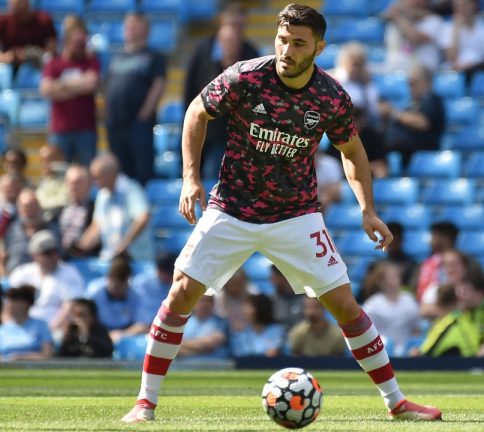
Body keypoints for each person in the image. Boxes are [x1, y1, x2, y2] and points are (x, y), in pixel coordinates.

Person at [122, 5, 441, 423]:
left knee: (344, 303)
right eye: (282, 39)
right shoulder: (245, 76)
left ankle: (396, 402)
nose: (287, 49)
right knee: (181, 292)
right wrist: (189, 178)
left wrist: (368, 210)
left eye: (298, 43)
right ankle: (144, 402)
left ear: (319, 48)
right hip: (233, 206)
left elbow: (353, 152)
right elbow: (196, 113)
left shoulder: (330, 96)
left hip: (296, 214)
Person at [184, 6, 259, 179]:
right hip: (203, 126)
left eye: (239, 26)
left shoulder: (250, 52)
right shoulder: (203, 50)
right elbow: (190, 89)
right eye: (231, 25)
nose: (235, 31)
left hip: (233, 133)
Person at [105, 12, 166, 186]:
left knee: (142, 172)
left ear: (146, 29)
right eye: (128, 25)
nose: (130, 29)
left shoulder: (154, 56)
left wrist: (144, 114)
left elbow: (158, 85)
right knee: (121, 175)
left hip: (138, 124)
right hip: (115, 125)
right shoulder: (116, 57)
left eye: (135, 25)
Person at [40, 20, 100, 166]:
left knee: (87, 174)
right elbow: (46, 90)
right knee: (59, 173)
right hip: (60, 130)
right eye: (77, 43)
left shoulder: (91, 61)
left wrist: (61, 86)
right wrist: (79, 85)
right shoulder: (54, 63)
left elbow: (91, 84)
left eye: (83, 43)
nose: (81, 47)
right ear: (66, 41)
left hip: (86, 129)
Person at [79, 153, 154, 263]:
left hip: (136, 259)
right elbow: (97, 226)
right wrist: (80, 248)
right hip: (111, 259)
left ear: (110, 175)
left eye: (96, 177)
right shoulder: (102, 194)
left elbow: (143, 218)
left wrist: (124, 245)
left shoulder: (131, 189)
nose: (93, 182)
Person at [8, 230, 85, 334]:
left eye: (54, 251)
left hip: (56, 330)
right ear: (34, 255)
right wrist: (11, 329)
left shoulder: (69, 273)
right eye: (46, 253)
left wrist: (47, 333)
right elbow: (8, 307)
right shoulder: (21, 273)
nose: (52, 256)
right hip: (21, 329)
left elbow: (69, 309)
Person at [420, 274, 484, 357]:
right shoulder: (459, 313)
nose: (460, 295)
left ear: (479, 292)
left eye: (465, 290)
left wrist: (476, 363)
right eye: (459, 290)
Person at [379, 64, 446, 168]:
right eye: (409, 83)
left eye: (413, 82)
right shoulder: (410, 103)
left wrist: (393, 113)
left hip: (423, 156)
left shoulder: (433, 101)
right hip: (402, 154)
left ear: (427, 82)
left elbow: (423, 123)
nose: (410, 86)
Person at [87, 254, 148, 343]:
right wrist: (105, 335)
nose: (118, 291)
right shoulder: (94, 292)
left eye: (122, 286)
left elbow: (142, 325)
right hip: (98, 334)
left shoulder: (137, 295)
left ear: (128, 281)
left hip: (126, 336)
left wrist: (122, 334)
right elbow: (84, 319)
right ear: (108, 278)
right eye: (115, 287)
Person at [362, 262, 421, 352]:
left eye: (397, 276)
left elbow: (417, 329)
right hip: (382, 351)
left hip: (408, 351)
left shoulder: (409, 299)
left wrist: (414, 347)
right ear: (381, 282)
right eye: (391, 277)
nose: (396, 279)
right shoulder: (372, 305)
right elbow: (368, 334)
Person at [2, 187, 61, 274]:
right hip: (16, 280)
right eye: (26, 207)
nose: (30, 211)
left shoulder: (53, 230)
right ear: (19, 210)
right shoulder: (12, 230)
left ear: (39, 206)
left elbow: (60, 257)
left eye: (33, 206)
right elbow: (2, 257)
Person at [0, 0, 56, 74]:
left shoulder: (44, 20)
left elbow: (50, 52)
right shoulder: (2, 22)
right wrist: (6, 58)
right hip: (11, 69)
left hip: (39, 68)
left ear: (27, 5)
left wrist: (31, 55)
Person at [438, 0, 484, 79]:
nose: (460, 8)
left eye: (464, 4)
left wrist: (472, 65)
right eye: (457, 5)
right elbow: (451, 57)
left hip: (479, 70)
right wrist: (456, 30)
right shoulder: (447, 28)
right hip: (455, 72)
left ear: (474, 5)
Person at [0, 285, 53, 361]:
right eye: (8, 300)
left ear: (26, 304)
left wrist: (21, 358)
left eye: (14, 300)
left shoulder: (41, 325)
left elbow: (47, 355)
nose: (9, 304)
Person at [382, 0, 444, 73]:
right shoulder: (399, 22)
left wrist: (398, 17)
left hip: (425, 73)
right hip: (398, 71)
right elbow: (384, 15)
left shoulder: (434, 21)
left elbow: (415, 38)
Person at [330, 42, 380, 124]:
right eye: (353, 63)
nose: (355, 68)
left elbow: (373, 112)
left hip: (361, 125)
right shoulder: (330, 80)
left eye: (359, 64)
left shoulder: (367, 85)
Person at [416, 222, 458, 305]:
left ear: (446, 238)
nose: (430, 241)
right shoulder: (427, 264)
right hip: (428, 309)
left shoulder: (465, 263)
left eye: (434, 236)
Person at [59, 164, 95, 258]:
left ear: (89, 183)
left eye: (77, 182)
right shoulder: (58, 210)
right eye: (70, 182)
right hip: (61, 258)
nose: (73, 186)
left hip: (86, 258)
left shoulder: (96, 209)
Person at [178, 295, 228, 360]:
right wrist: (203, 348)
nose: (205, 304)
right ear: (192, 304)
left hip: (214, 366)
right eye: (201, 300)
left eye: (209, 301)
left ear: (213, 303)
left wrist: (182, 344)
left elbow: (212, 343)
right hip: (186, 367)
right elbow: (174, 348)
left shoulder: (221, 322)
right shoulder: (182, 323)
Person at [34, 145, 68, 218]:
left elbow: (63, 201)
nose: (44, 164)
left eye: (48, 160)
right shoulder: (45, 180)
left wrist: (38, 204)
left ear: (60, 160)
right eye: (42, 161)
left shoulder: (68, 179)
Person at [268, 265, 303, 330]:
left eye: (274, 277)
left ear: (284, 277)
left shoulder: (305, 299)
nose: (271, 281)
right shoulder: (270, 301)